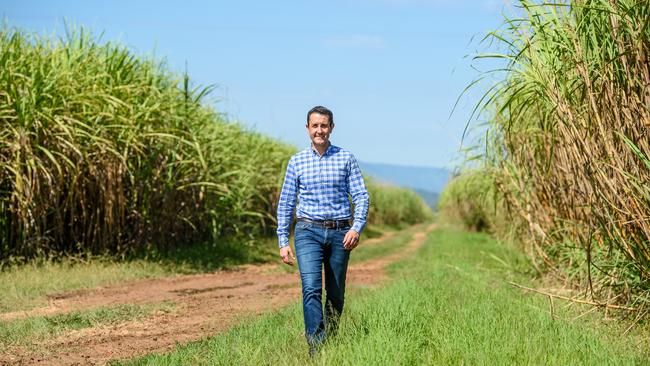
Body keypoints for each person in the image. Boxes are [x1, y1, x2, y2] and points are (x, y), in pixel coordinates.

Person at [276, 105, 370, 357]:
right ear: (307, 128)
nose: (320, 130)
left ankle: (333, 336)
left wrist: (356, 227)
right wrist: (283, 240)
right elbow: (286, 202)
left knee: (336, 293)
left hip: (340, 232)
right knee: (311, 288)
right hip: (307, 231)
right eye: (315, 125)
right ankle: (316, 348)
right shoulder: (296, 161)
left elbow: (361, 195)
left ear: (332, 128)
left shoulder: (346, 158)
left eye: (324, 125)